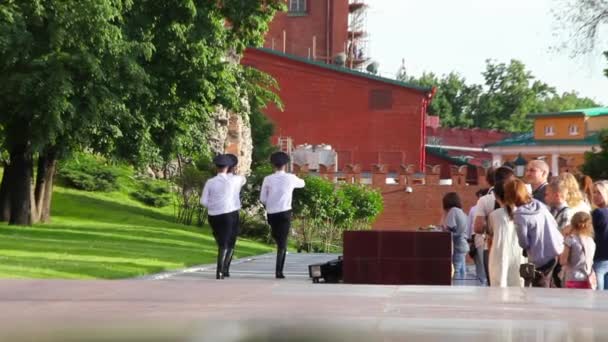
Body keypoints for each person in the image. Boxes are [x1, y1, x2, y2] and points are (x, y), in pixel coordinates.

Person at [506, 179, 564, 287]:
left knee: (540, 288)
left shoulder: (520, 214)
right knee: (555, 285)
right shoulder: (539, 204)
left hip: (541, 256)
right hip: (557, 248)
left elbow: (523, 242)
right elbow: (554, 223)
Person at [260, 152, 305, 279]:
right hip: (285, 212)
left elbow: (263, 198)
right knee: (282, 242)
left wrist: (271, 201)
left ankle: (279, 268)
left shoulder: (267, 179)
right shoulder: (290, 178)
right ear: (286, 165)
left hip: (272, 213)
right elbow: (303, 183)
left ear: (273, 165)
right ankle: (279, 271)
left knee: (277, 238)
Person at [200, 154, 245, 280]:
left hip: (213, 216)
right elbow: (242, 180)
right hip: (230, 214)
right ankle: (222, 270)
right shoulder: (236, 180)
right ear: (230, 167)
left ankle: (224, 270)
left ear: (216, 167)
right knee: (229, 242)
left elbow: (203, 201)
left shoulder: (210, 182)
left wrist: (214, 206)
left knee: (221, 241)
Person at [474, 166, 515, 285]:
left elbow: (477, 228)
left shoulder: (485, 200)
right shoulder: (518, 197)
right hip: (515, 246)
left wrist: (492, 225)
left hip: (492, 246)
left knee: (494, 283)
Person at [487, 181, 526, 287]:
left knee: (498, 291)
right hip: (520, 257)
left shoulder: (494, 215)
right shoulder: (527, 214)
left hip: (499, 257)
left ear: (496, 196)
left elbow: (490, 237)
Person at [222, 153, 246, 277]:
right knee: (231, 242)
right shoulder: (239, 179)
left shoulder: (216, 180)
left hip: (219, 212)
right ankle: (225, 268)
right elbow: (243, 180)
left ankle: (220, 268)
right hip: (232, 212)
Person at [559, 212, 596, 289]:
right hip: (588, 278)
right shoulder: (591, 241)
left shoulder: (570, 240)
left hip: (572, 278)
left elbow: (563, 261)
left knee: (571, 300)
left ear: (572, 224)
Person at [442, 192, 469, 280]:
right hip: (464, 244)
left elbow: (449, 228)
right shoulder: (462, 212)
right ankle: (462, 289)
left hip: (458, 246)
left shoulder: (453, 211)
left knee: (456, 271)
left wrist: (443, 225)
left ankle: (457, 289)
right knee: (462, 271)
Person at [468, 188, 489, 285]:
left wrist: (469, 239)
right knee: (483, 262)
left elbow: (470, 226)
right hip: (480, 238)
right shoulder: (475, 208)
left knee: (480, 263)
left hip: (479, 237)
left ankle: (481, 281)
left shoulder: (475, 209)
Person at [591, 180, 608, 290]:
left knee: (599, 296)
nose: (595, 195)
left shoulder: (598, 213)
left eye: (599, 192)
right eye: (594, 192)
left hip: (599, 257)